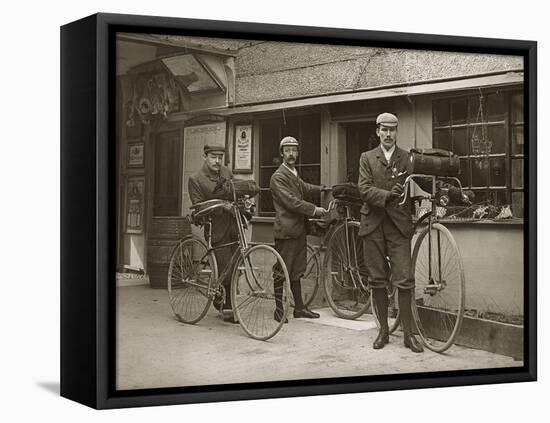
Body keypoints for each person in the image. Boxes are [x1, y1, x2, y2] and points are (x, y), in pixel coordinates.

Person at [358, 113, 424, 353]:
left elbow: (422, 183)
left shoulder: (407, 158)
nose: (388, 134)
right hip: (373, 224)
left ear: (397, 132)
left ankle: (409, 335)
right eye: (384, 130)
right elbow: (364, 189)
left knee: (405, 279)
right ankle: (383, 331)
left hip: (398, 226)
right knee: (377, 279)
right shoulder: (367, 158)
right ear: (377, 132)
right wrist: (387, 195)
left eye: (392, 130)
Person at [270, 136, 328, 322]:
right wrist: (314, 209)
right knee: (282, 270)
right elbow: (291, 202)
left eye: (294, 150)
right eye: (287, 150)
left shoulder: (293, 173)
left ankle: (300, 308)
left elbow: (304, 187)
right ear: (281, 153)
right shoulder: (278, 176)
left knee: (296, 270)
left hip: (298, 229)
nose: (291, 154)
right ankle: (279, 309)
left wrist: (324, 189)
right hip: (286, 231)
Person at [188, 142, 239, 323]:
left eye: (220, 157)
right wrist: (222, 206)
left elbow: (235, 192)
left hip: (234, 225)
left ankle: (224, 298)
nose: (217, 161)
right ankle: (226, 305)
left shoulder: (227, 172)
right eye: (213, 157)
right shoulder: (196, 179)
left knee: (236, 265)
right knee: (225, 265)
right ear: (205, 157)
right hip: (215, 228)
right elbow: (198, 207)